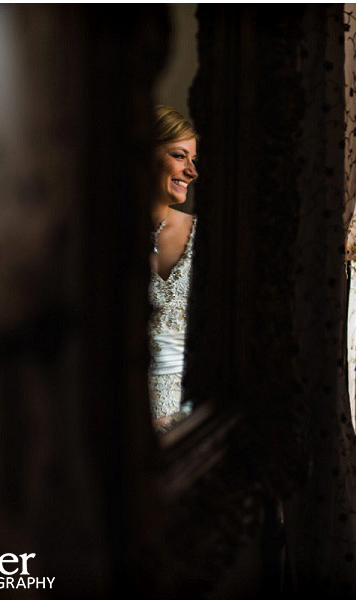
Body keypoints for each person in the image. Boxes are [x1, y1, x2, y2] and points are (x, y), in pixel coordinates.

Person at [148, 106, 198, 433]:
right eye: (180, 156)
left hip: (191, 417)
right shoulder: (99, 240)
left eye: (195, 161)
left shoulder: (203, 236)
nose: (192, 172)